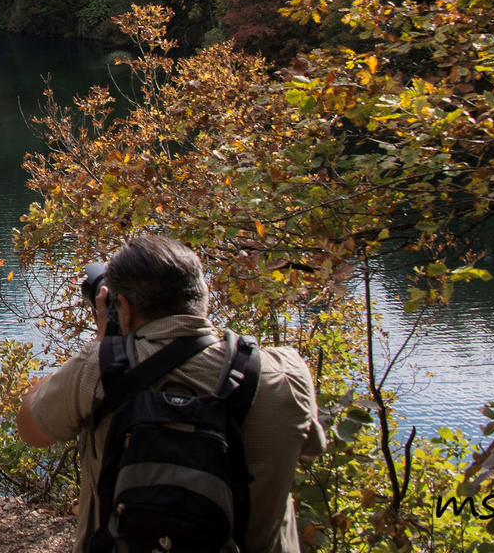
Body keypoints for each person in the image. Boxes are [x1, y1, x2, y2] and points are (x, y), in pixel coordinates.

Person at [16, 234, 325, 553]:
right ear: (204, 296)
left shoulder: (97, 370)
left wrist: (102, 343)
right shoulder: (285, 374)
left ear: (123, 308)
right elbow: (310, 447)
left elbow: (30, 428)